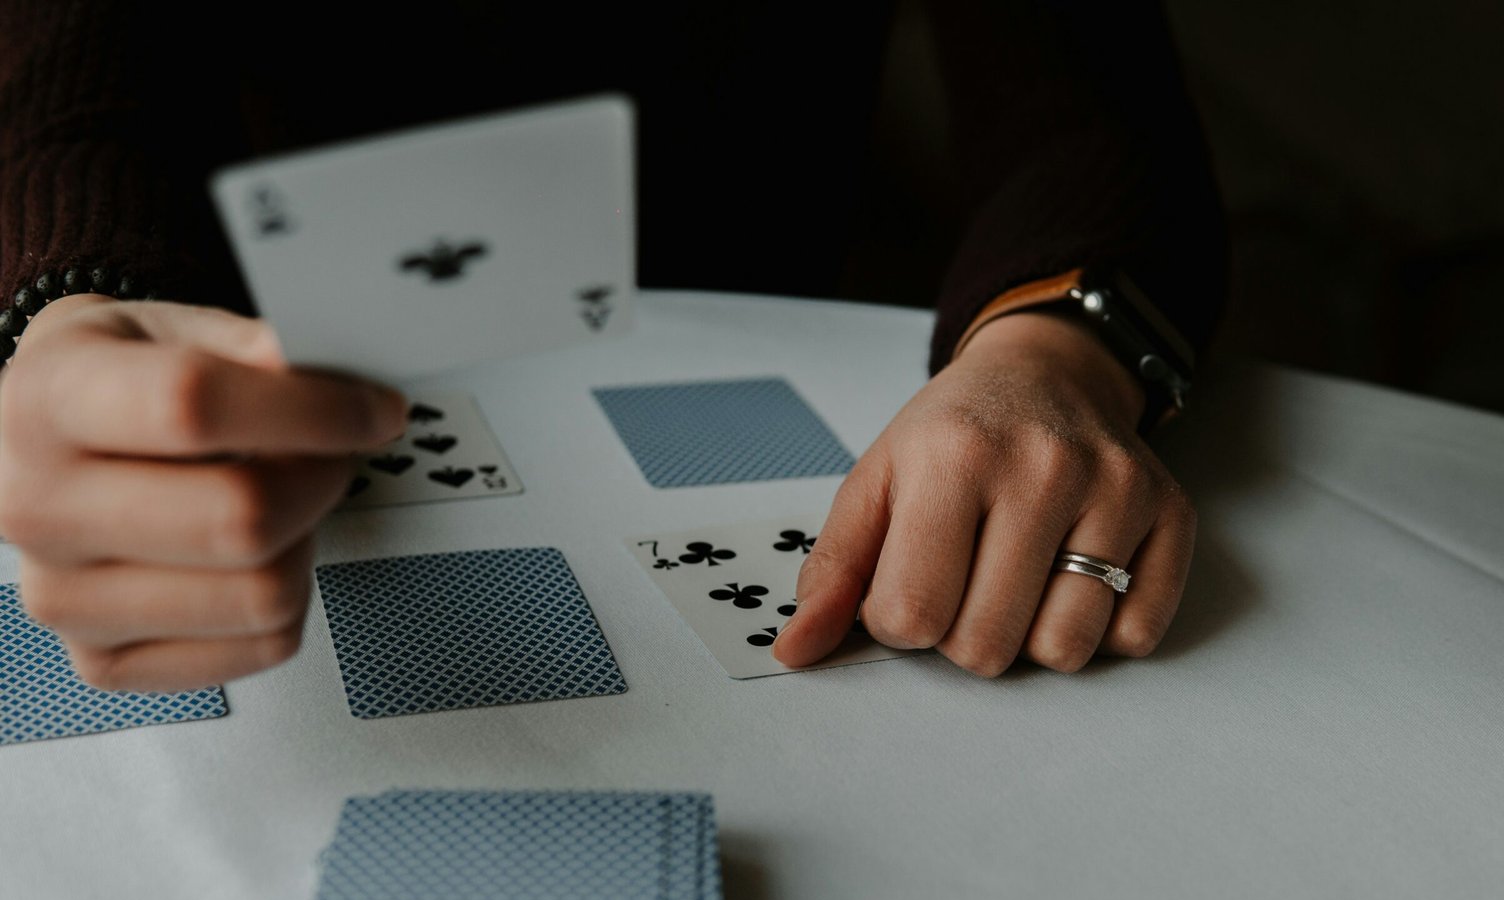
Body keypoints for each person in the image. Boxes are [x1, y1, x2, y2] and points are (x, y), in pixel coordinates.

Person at [0, 0, 1226, 691]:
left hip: (746, 298)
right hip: (270, 337)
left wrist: (1051, 356)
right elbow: (66, 94)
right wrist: (67, 310)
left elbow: (1092, 115)